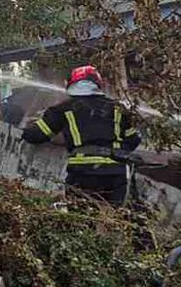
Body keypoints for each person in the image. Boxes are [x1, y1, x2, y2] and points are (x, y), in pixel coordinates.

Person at [22, 65, 142, 206]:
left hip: (84, 173)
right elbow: (134, 139)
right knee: (118, 219)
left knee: (83, 218)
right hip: (116, 173)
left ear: (72, 84)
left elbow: (35, 135)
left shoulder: (63, 109)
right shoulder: (118, 108)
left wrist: (29, 125)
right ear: (98, 85)